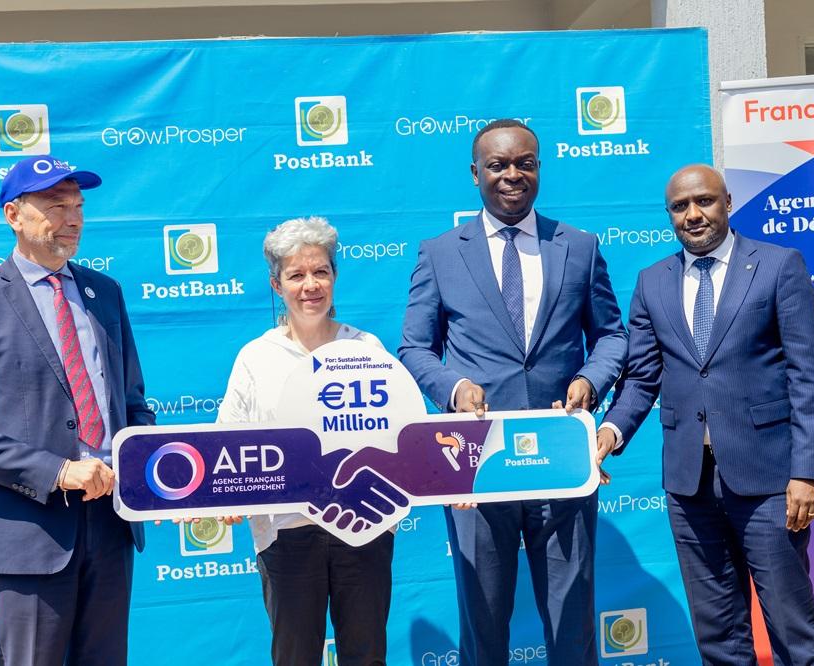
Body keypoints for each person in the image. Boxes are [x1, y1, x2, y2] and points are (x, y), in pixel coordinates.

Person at [399, 119, 628, 666]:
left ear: (539, 169)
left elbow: (612, 336)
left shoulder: (579, 246)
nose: (511, 175)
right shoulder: (439, 253)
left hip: (561, 459)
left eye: (524, 163)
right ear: (475, 173)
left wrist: (589, 381)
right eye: (498, 165)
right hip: (477, 463)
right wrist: (453, 389)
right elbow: (414, 348)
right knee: (484, 624)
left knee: (572, 624)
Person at [599, 164, 814, 665]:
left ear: (726, 201)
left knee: (793, 628)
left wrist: (807, 473)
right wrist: (610, 432)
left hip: (770, 483)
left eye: (704, 201)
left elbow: (809, 376)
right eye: (680, 207)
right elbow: (641, 379)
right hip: (690, 487)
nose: (693, 214)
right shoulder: (651, 282)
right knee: (718, 636)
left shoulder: (777, 266)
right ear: (669, 215)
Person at [0, 155, 155, 665]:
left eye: (78, 206)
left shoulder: (106, 293)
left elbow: (132, 405)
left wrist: (148, 477)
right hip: (30, 537)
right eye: (56, 206)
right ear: (14, 215)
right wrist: (58, 471)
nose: (73, 218)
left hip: (112, 524)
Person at [217, 217, 393, 666]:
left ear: (334, 277)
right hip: (286, 533)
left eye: (321, 272)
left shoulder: (367, 348)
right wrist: (221, 496)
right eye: (296, 275)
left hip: (363, 526)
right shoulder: (256, 357)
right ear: (277, 285)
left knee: (367, 655)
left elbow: (399, 437)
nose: (310, 285)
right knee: (295, 657)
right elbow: (227, 442)